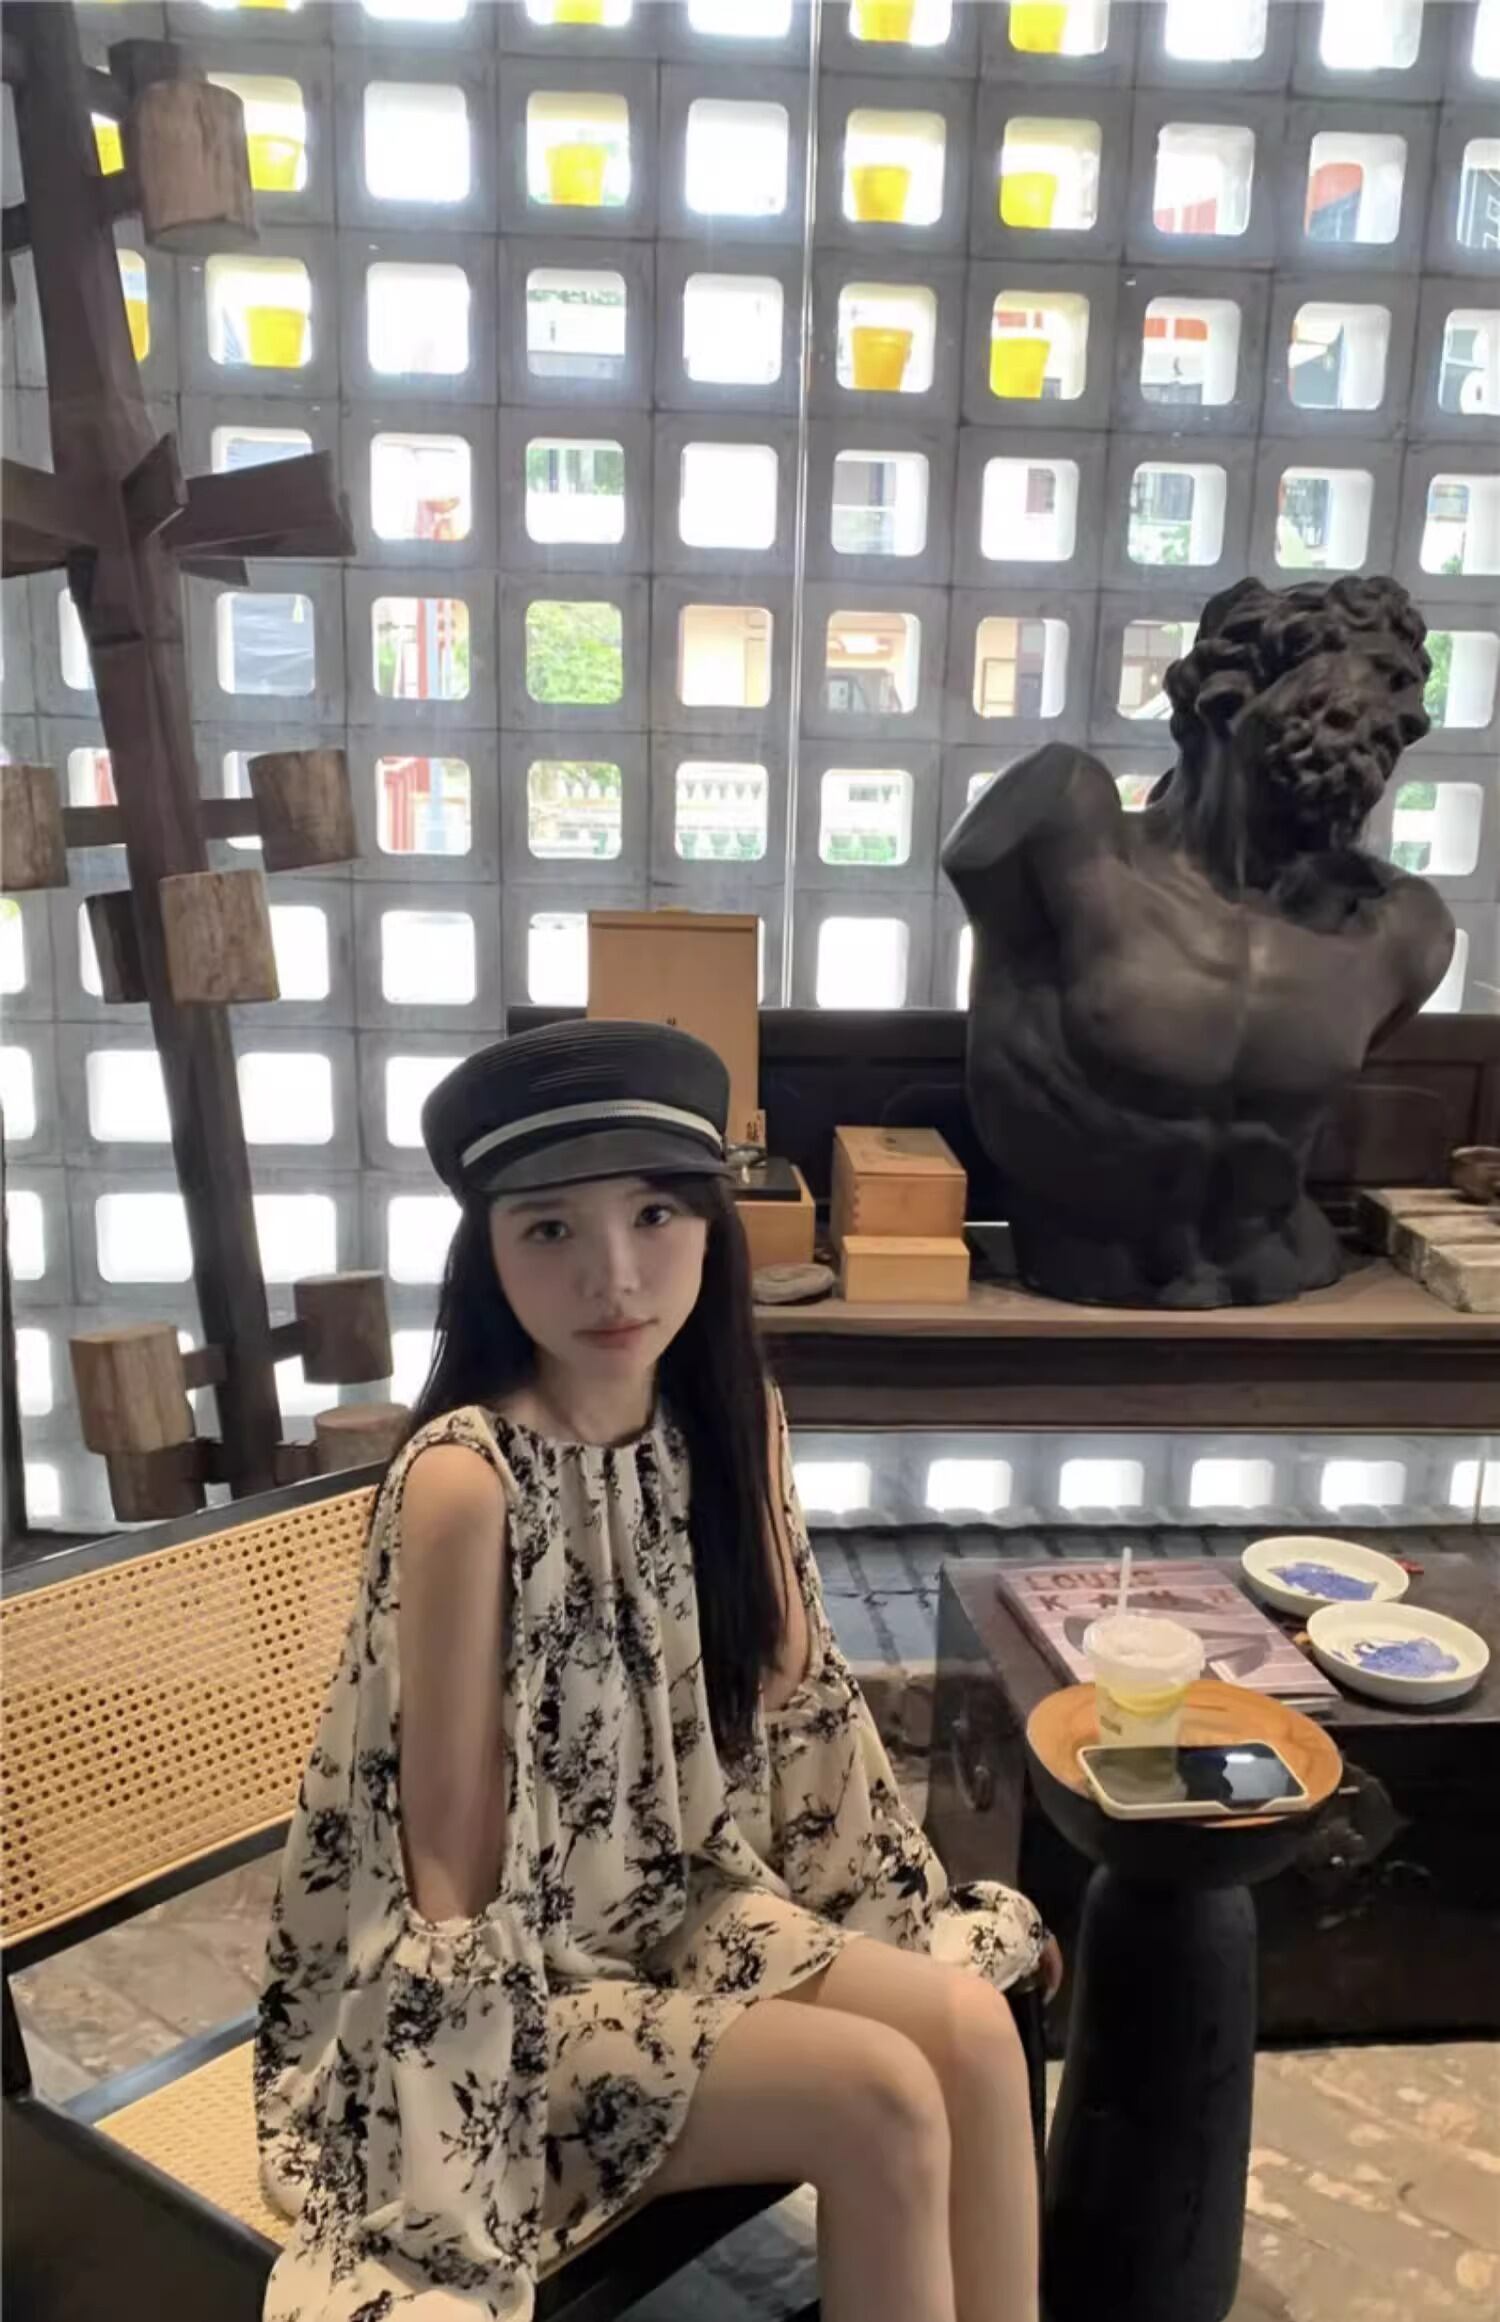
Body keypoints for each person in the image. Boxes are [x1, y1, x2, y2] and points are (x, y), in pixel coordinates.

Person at [255, 1019, 1051, 2322]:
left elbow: (788, 1692)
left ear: (714, 1227)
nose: (614, 1277)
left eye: (656, 1215)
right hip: (520, 1988)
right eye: (549, 1229)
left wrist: (751, 1455)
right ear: (487, 1254)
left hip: (682, 1904)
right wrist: (462, 2133)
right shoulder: (468, 1480)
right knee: (882, 2095)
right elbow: (445, 1863)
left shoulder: (718, 1415)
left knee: (968, 2033)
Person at [945, 573, 1455, 1308]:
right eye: (1375, 674)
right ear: (1231, 691)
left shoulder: (1402, 928)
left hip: (1289, 1271)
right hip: (1077, 1270)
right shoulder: (1063, 834)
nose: (1404, 715)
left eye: (1406, 698)